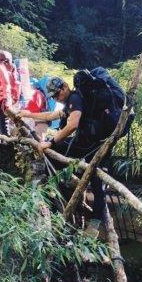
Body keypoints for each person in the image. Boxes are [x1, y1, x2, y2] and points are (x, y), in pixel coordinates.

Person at [17, 76, 108, 232]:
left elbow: (73, 125)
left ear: (65, 87)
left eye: (57, 95)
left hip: (95, 145)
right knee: (60, 157)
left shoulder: (75, 99)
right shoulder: (70, 103)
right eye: (53, 97)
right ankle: (70, 183)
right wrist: (27, 114)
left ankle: (94, 226)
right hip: (88, 142)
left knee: (98, 182)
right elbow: (50, 116)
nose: (56, 99)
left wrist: (50, 142)